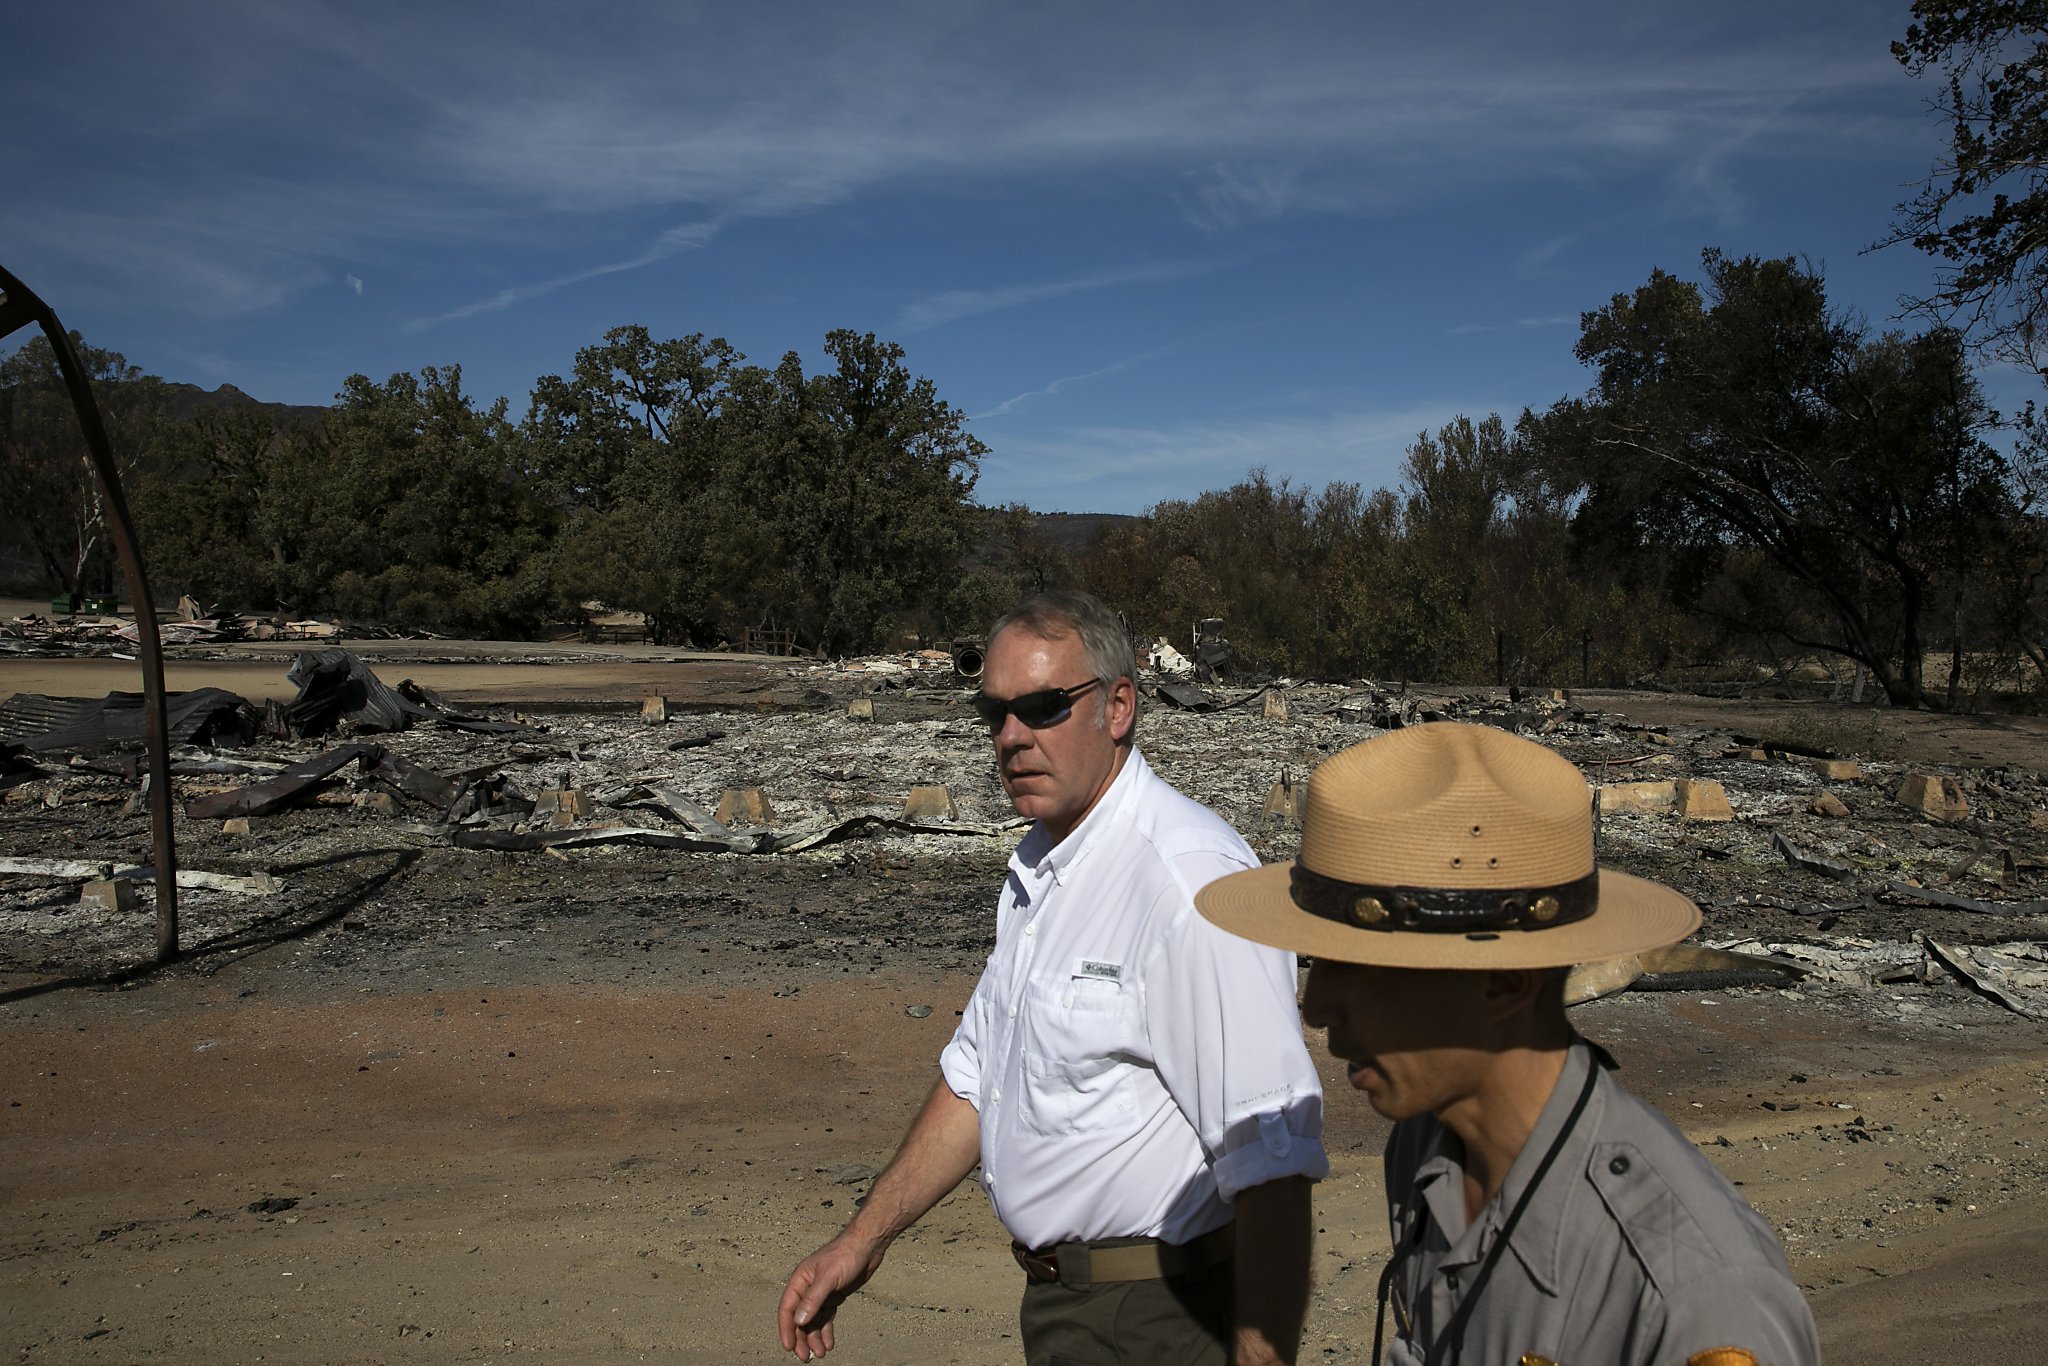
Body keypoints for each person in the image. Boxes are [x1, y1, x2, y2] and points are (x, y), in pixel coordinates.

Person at [777, 590, 1327, 1365]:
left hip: (1162, 1317)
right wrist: (861, 1240)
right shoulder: (1042, 864)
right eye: (993, 713)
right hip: (1067, 1312)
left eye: (1041, 707)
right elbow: (977, 1080)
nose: (1011, 737)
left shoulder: (1185, 881)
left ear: (1119, 707)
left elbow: (1270, 1161)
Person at [1196, 722, 1821, 1366]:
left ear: (1505, 984)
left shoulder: (1690, 1297)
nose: (1317, 1006)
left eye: (1357, 969)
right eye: (1316, 964)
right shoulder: (1426, 1145)